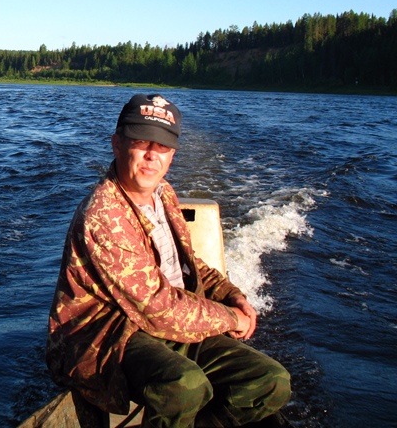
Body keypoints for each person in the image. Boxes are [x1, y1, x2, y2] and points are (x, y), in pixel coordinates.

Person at [46, 94, 291, 428]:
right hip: (107, 335)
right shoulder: (105, 214)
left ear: (172, 154)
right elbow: (158, 307)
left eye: (161, 146)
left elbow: (191, 264)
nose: (152, 156)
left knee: (270, 381)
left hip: (168, 322)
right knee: (184, 388)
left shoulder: (164, 194)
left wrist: (232, 295)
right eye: (141, 142)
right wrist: (231, 319)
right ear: (117, 144)